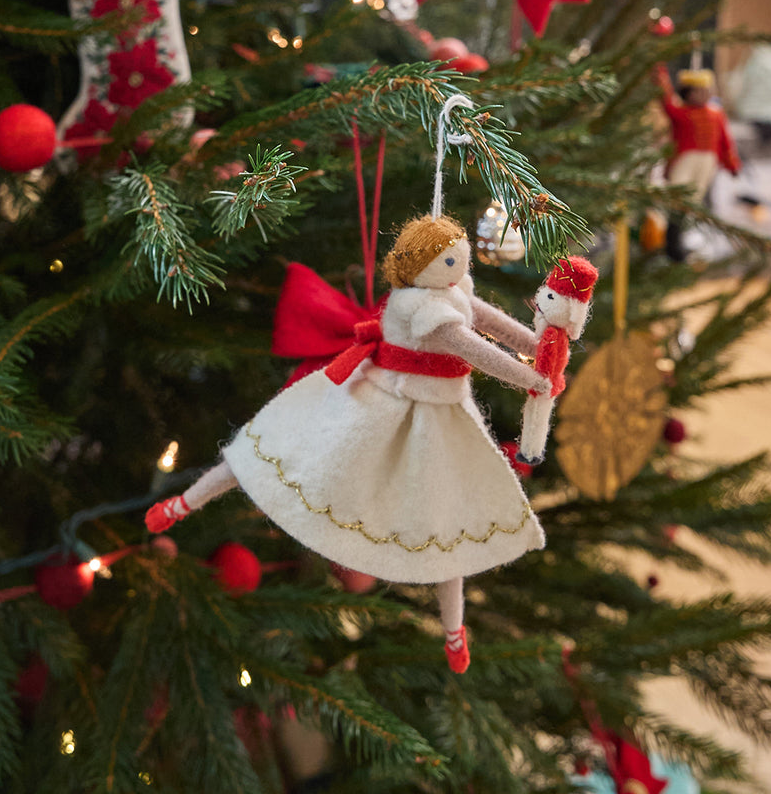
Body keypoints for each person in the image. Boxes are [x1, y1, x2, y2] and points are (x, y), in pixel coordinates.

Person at [146, 214, 550, 673]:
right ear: (422, 266)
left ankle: (454, 631)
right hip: (389, 406)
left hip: (442, 416)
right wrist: (532, 379)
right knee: (273, 449)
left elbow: (487, 320)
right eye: (452, 259)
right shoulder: (416, 306)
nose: (462, 267)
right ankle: (183, 503)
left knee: (446, 521)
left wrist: (537, 348)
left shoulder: (450, 289)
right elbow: (471, 346)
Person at [654, 64, 742, 261]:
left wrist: (732, 163)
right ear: (688, 93)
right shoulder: (681, 113)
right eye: (699, 91)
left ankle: (685, 240)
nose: (705, 94)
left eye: (707, 90)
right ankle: (672, 243)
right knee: (678, 199)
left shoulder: (716, 114)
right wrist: (660, 74)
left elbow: (725, 141)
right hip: (684, 161)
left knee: (695, 200)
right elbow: (666, 100)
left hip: (708, 163)